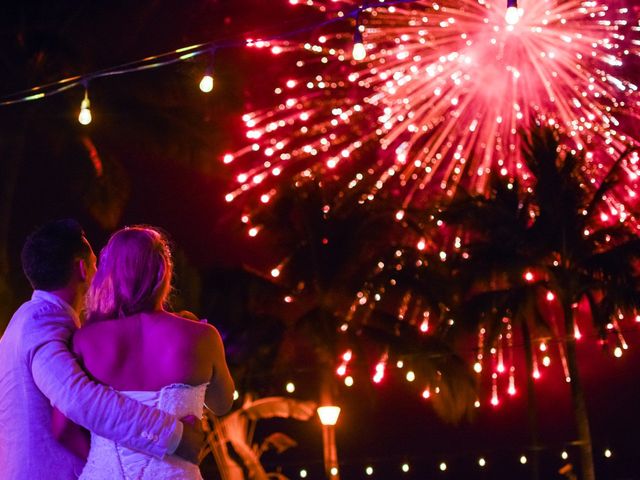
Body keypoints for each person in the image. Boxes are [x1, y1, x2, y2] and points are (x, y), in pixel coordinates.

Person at [0, 219, 205, 479]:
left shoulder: (29, 319)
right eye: (97, 264)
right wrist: (173, 436)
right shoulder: (41, 324)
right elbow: (77, 398)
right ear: (83, 269)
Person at [72, 225, 234, 479]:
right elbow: (222, 404)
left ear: (110, 273)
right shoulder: (203, 337)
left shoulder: (86, 340)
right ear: (164, 272)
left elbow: (67, 426)